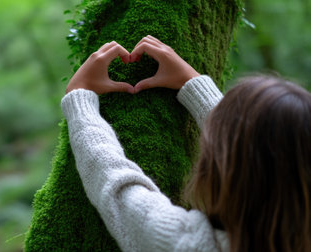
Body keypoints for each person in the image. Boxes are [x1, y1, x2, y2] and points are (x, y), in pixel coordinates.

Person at [61, 35, 311, 251]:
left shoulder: (190, 244)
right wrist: (192, 82)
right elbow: (251, 147)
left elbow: (117, 184)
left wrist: (79, 99)